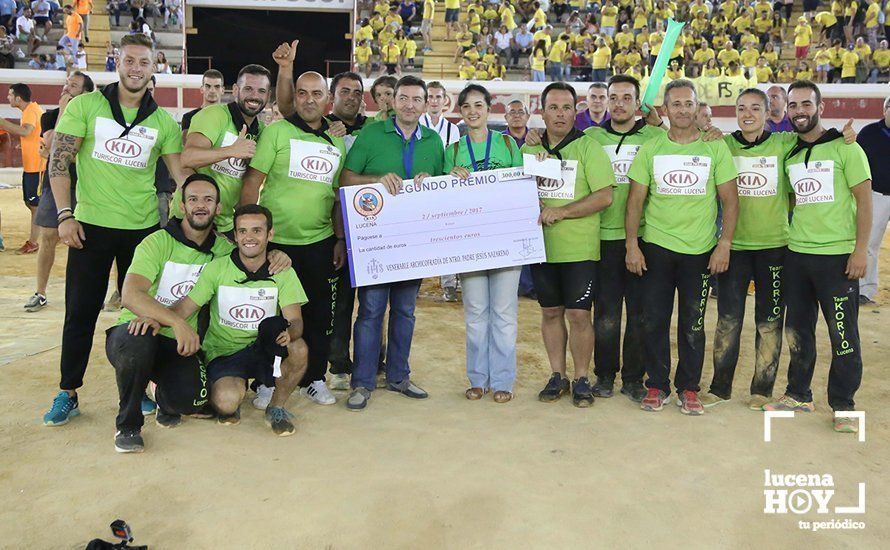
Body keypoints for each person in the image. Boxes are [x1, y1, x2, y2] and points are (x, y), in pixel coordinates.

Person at [42, 33, 185, 427]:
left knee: (138, 314)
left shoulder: (163, 123)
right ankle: (68, 391)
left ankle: (137, 391)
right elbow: (60, 161)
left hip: (141, 233)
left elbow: (179, 175)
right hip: (88, 228)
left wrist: (199, 200)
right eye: (129, 61)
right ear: (117, 63)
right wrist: (65, 215)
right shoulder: (86, 105)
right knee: (80, 313)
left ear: (154, 67)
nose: (136, 69)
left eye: (144, 62)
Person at [108, 175, 293, 452]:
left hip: (182, 344)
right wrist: (174, 321)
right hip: (140, 328)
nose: (200, 205)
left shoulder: (223, 250)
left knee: (193, 401)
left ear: (218, 208)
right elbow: (132, 294)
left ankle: (158, 389)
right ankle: (128, 425)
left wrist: (278, 254)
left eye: (208, 200)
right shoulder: (157, 242)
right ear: (181, 206)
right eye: (193, 199)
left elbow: (253, 253)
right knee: (139, 339)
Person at [625, 79, 740, 415]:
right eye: (675, 104)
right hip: (657, 248)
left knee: (693, 324)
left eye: (688, 104)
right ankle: (657, 385)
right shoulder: (652, 148)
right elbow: (634, 202)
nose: (682, 110)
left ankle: (689, 388)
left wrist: (724, 244)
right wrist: (632, 244)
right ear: (666, 109)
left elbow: (730, 201)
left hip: (700, 252)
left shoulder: (714, 147)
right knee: (654, 321)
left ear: (697, 107)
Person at [764, 80, 872, 434]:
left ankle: (843, 404)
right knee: (799, 330)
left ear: (820, 107)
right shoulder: (790, 153)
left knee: (843, 334)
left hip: (838, 258)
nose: (799, 111)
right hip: (797, 256)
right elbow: (794, 199)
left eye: (805, 104)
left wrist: (859, 250)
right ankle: (798, 394)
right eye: (793, 105)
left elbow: (865, 201)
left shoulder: (846, 148)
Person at [339, 75, 444, 411]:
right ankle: (363, 382)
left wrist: (435, 183)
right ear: (393, 101)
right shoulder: (371, 133)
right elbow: (345, 179)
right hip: (376, 242)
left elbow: (443, 191)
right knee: (370, 311)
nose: (409, 105)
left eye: (416, 99)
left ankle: (398, 376)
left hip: (414, 242)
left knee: (406, 311)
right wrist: (376, 180)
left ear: (426, 105)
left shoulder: (433, 141)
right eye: (403, 98)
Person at [242, 71, 347, 407]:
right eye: (302, 93)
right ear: (295, 97)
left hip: (319, 243)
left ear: (327, 99)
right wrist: (248, 234)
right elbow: (251, 183)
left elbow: (335, 196)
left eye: (316, 93)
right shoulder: (276, 132)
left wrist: (339, 238)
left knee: (317, 316)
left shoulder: (336, 142)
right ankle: (264, 381)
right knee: (270, 316)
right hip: (277, 243)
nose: (309, 99)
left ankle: (314, 378)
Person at [168, 204, 309, 436]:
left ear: (269, 234)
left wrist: (290, 333)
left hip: (264, 347)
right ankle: (237, 385)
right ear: (235, 235)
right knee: (226, 403)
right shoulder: (217, 269)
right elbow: (185, 307)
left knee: (299, 348)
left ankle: (277, 407)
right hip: (224, 352)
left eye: (257, 230)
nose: (249, 237)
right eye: (242, 231)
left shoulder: (282, 272)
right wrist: (154, 318)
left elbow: (296, 320)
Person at [699, 88, 796, 410]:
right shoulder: (722, 144)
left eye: (756, 108)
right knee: (728, 319)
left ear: (769, 113)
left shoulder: (784, 143)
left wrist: (845, 135)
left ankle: (762, 390)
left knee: (769, 322)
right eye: (742, 108)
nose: (748, 113)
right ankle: (719, 387)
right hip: (733, 248)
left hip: (775, 248)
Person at [520, 82, 616, 408]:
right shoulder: (529, 150)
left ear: (575, 111)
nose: (560, 114)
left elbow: (605, 196)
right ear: (542, 112)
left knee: (578, 315)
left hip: (579, 249)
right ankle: (557, 375)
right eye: (553, 108)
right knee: (549, 312)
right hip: (541, 248)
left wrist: (561, 212)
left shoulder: (589, 147)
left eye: (566, 108)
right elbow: (515, 194)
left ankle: (582, 378)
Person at [584, 75, 665, 402]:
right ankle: (604, 375)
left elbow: (693, 136)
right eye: (613, 97)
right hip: (601, 238)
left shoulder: (656, 136)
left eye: (626, 98)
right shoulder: (590, 137)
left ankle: (633, 377)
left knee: (640, 312)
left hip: (644, 237)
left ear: (637, 104)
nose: (618, 104)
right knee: (605, 312)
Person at [443, 84, 522, 403]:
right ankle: (478, 378)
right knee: (475, 314)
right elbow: (442, 197)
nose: (473, 111)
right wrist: (449, 177)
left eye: (479, 105)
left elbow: (523, 187)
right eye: (466, 106)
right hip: (470, 243)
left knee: (504, 314)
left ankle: (503, 380)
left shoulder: (506, 143)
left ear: (490, 109)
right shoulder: (452, 151)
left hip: (505, 241)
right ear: (460, 112)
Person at [24, 72, 94, 313]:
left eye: (73, 86)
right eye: (66, 84)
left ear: (85, 93)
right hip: (56, 185)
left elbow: (62, 152)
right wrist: (65, 112)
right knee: (47, 238)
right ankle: (40, 292)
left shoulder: (92, 117)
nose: (66, 89)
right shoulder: (51, 116)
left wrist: (60, 153)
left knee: (89, 243)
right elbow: (53, 145)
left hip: (87, 186)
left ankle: (88, 295)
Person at [180, 64, 271, 237]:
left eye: (261, 91)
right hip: (191, 219)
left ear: (268, 95)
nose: (254, 96)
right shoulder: (215, 115)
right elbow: (187, 158)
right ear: (236, 89)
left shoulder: (262, 131)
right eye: (248, 89)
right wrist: (230, 150)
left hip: (226, 224)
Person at [419, 81, 461, 301]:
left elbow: (452, 160)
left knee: (447, 236)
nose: (434, 101)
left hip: (444, 188)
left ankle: (448, 284)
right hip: (418, 187)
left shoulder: (452, 129)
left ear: (445, 101)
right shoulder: (416, 123)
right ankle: (413, 281)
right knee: (417, 236)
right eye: (430, 97)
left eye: (438, 97)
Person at [0, 83, 43, 255]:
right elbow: (31, 135)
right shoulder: (30, 110)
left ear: (18, 98)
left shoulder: (31, 111)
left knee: (35, 205)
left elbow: (26, 132)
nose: (8, 98)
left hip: (36, 166)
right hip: (33, 165)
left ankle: (33, 242)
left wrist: (2, 122)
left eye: (10, 95)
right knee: (31, 203)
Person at [858, 96, 890, 305]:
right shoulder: (869, 133)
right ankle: (865, 290)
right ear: (885, 109)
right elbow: (857, 163)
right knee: (869, 243)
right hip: (877, 195)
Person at [180, 69, 224, 142]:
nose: (212, 90)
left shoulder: (230, 117)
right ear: (202, 89)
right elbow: (187, 147)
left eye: (217, 87)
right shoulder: (188, 117)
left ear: (222, 90)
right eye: (208, 86)